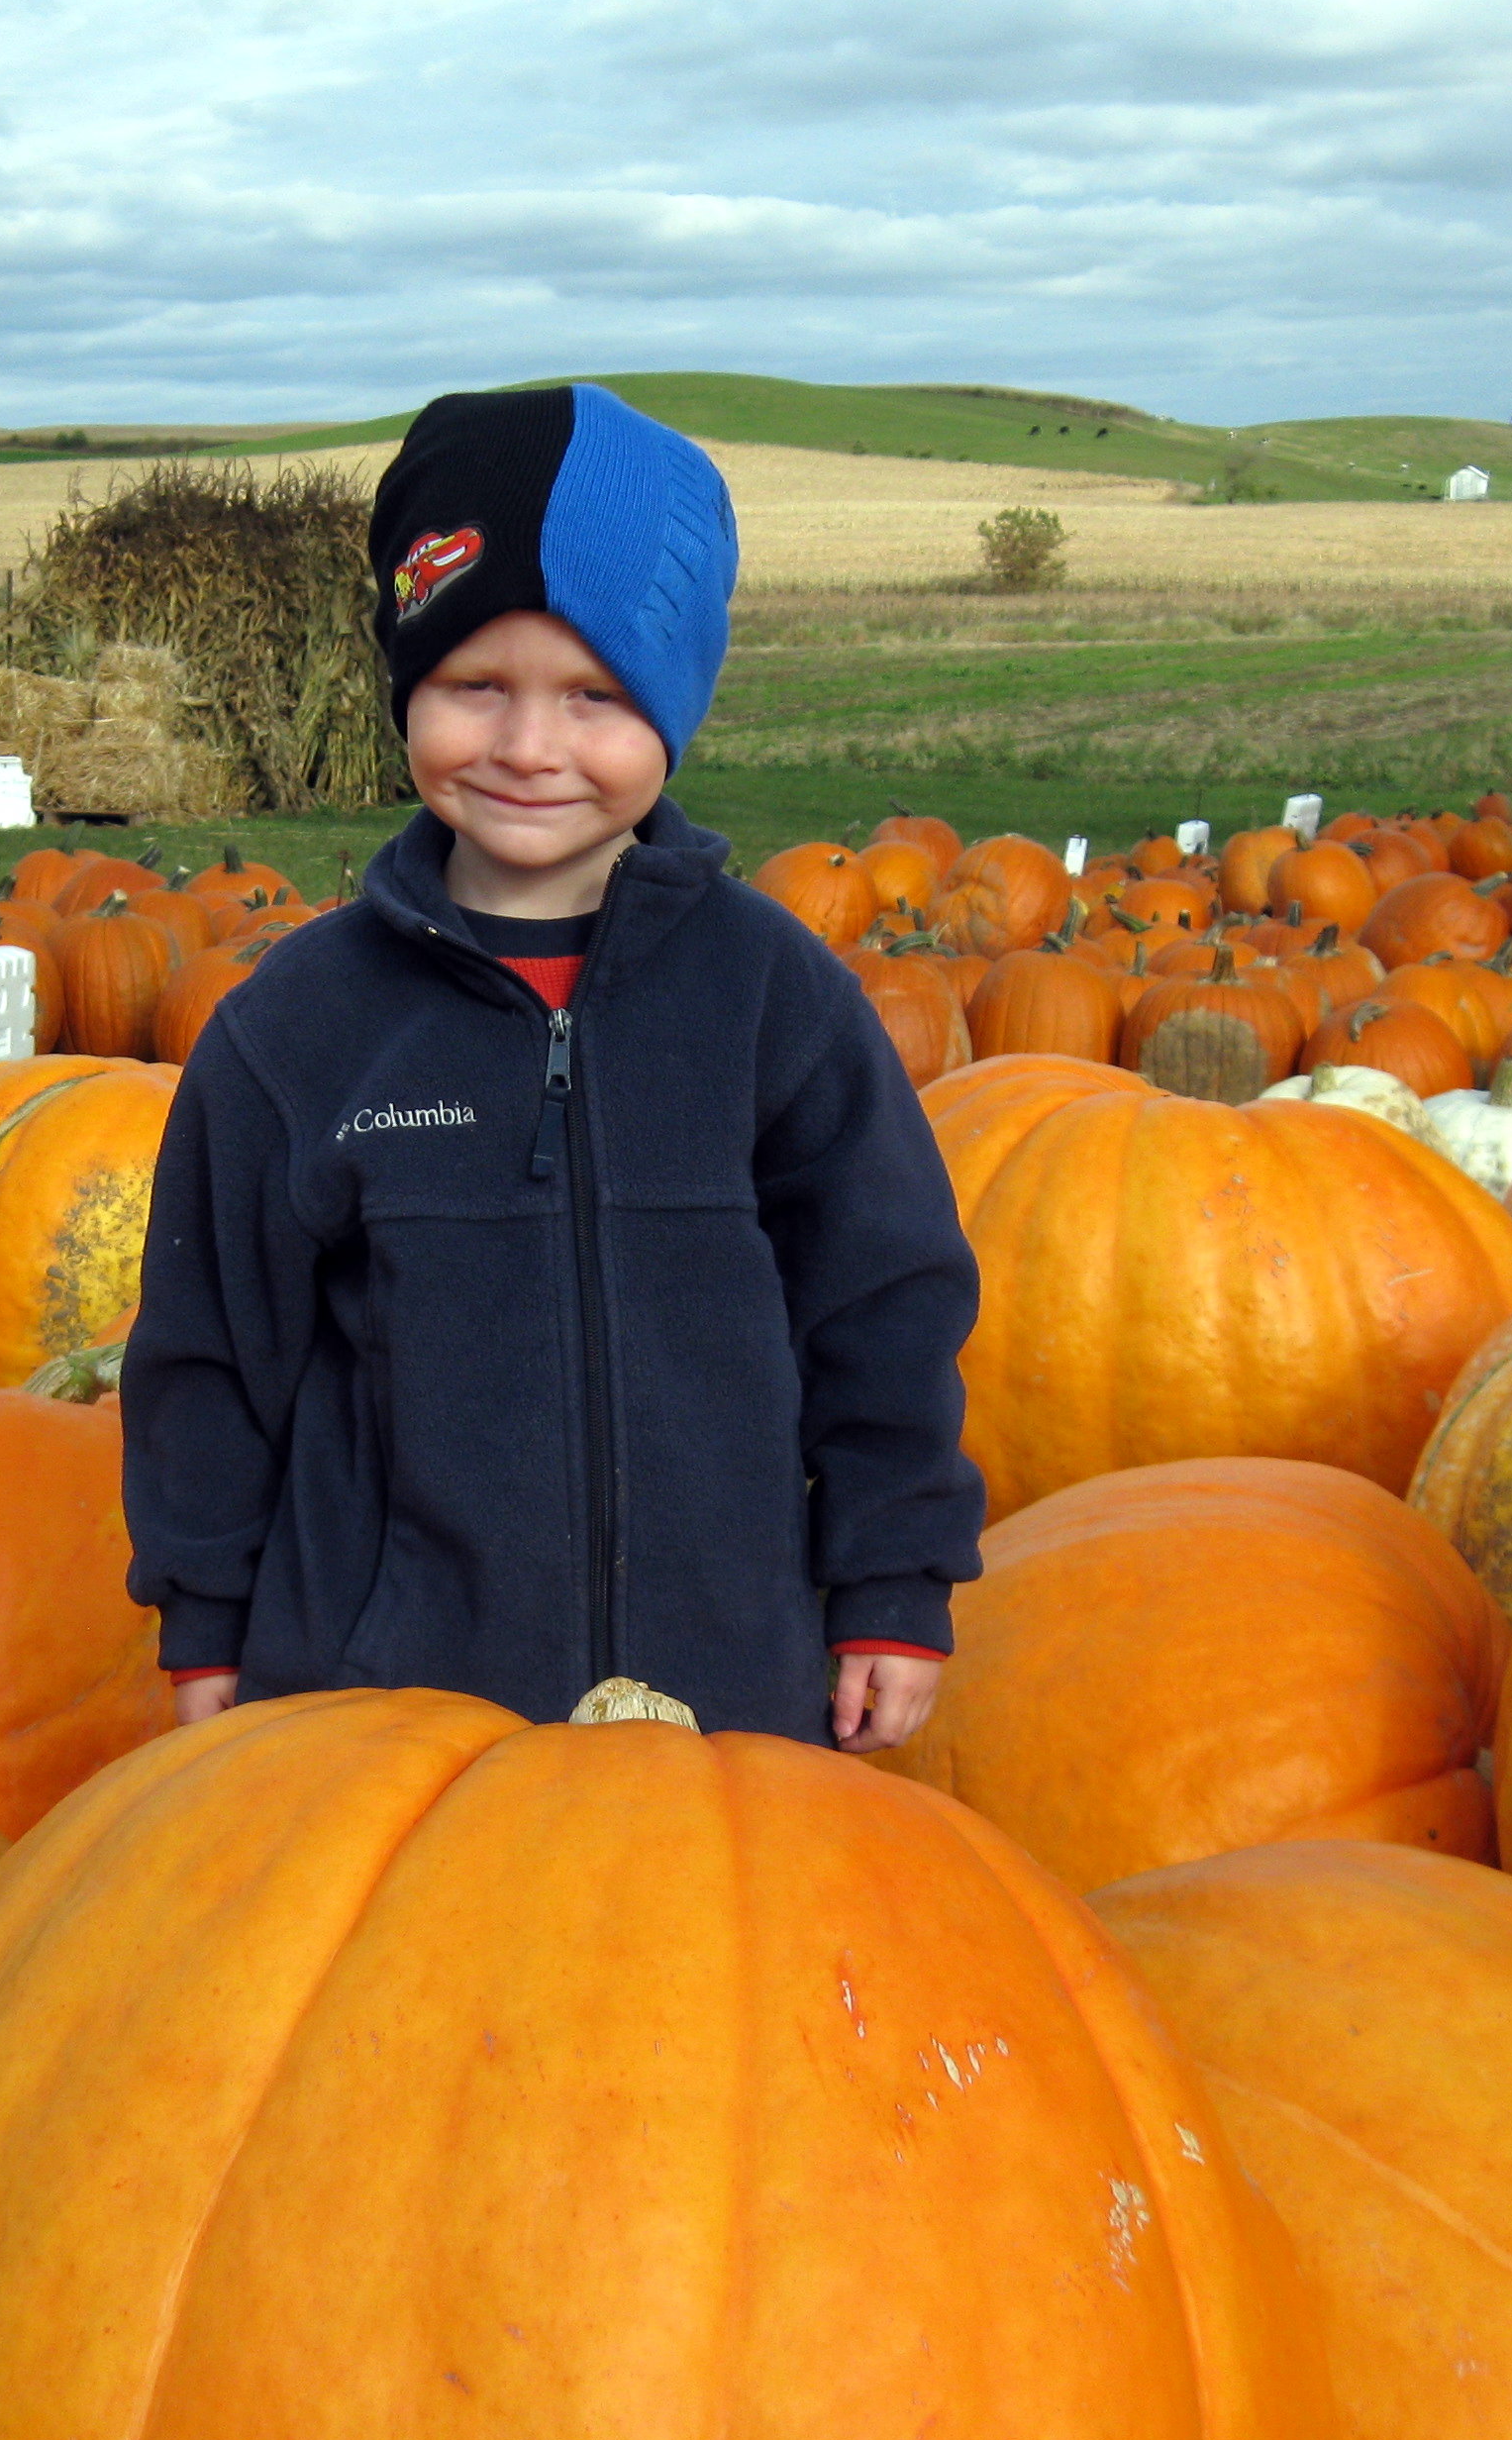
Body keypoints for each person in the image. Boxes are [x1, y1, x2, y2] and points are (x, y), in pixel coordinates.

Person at [121, 383, 983, 1752]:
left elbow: (883, 1310)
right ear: (408, 683)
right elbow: (212, 1352)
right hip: (384, 1719)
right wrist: (208, 1621)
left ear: (673, 708)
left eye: (595, 697)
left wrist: (890, 1582)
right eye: (477, 687)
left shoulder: (775, 1002)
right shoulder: (298, 1031)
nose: (530, 749)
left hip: (727, 1708)